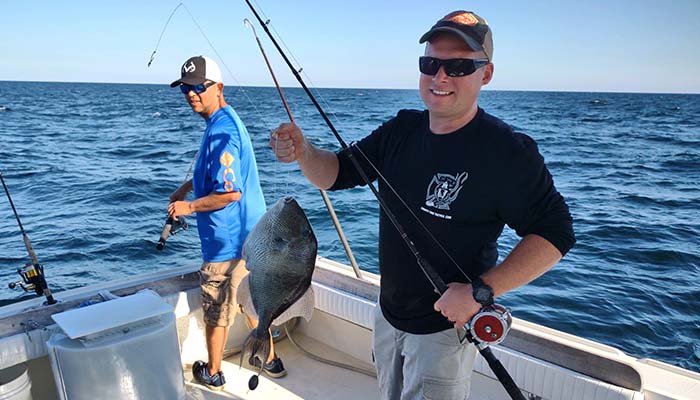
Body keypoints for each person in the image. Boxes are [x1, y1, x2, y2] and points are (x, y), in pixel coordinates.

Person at [269, 11, 575, 400]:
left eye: (459, 66)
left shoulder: (507, 152)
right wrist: (303, 150)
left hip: (443, 331)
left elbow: (556, 232)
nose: (440, 76)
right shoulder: (402, 129)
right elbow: (336, 173)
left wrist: (480, 292)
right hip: (387, 314)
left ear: (487, 73)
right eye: (430, 63)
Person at [167, 55, 286, 391]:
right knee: (251, 299)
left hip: (227, 242)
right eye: (186, 89)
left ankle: (214, 372)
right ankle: (271, 360)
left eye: (199, 87)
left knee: (217, 307)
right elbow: (217, 173)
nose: (191, 94)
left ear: (218, 87)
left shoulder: (222, 133)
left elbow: (229, 192)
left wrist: (187, 206)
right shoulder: (226, 119)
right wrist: (187, 186)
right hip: (251, 237)